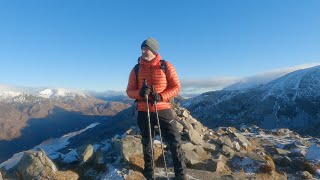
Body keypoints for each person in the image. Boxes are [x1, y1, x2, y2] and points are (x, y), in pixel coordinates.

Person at [126, 38, 187, 180]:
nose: (143, 50)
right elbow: (129, 91)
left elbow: (176, 87)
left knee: (174, 141)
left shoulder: (166, 66)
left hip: (163, 108)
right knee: (147, 141)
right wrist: (140, 93)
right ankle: (149, 171)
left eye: (146, 48)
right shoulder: (136, 69)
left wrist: (160, 96)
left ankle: (181, 174)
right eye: (142, 48)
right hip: (143, 109)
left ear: (153, 50)